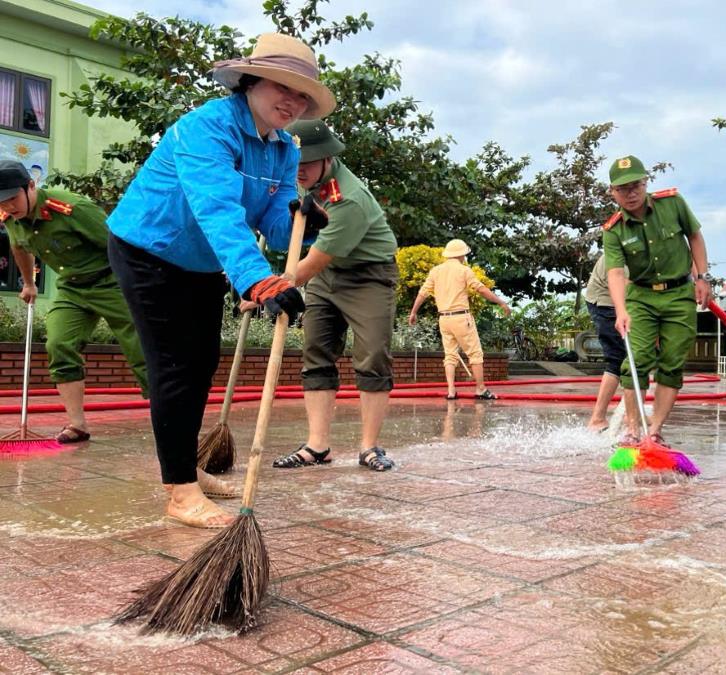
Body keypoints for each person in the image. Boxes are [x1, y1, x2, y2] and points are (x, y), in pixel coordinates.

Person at [106, 33, 335, 528]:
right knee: (174, 366)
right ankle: (180, 493)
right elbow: (218, 210)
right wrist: (257, 281)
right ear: (250, 81)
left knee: (201, 362)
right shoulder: (206, 128)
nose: (292, 102)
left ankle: (186, 468)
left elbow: (273, 221)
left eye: (301, 96)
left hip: (205, 261)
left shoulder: (283, 150)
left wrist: (303, 219)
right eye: (282, 87)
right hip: (150, 249)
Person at [271, 119, 400, 472]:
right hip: (328, 274)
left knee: (372, 355)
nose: (299, 171)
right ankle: (317, 447)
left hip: (368, 276)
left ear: (327, 158)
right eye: (294, 163)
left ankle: (370, 447)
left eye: (307, 163)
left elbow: (309, 266)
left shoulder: (349, 201)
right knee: (315, 351)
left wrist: (263, 289)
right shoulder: (299, 181)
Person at [0, 160, 148, 443]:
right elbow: (18, 247)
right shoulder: (10, 219)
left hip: (112, 281)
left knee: (142, 347)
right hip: (71, 288)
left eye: (12, 199)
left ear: (31, 186)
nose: (8, 207)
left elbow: (118, 244)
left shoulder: (71, 208)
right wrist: (29, 284)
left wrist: (142, 286)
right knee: (58, 344)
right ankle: (77, 425)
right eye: (2, 203)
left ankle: (167, 420)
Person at [602, 155, 713, 446]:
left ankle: (655, 431)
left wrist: (702, 277)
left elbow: (695, 236)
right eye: (622, 188)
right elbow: (614, 272)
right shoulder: (614, 229)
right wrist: (621, 310)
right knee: (635, 361)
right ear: (613, 192)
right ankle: (632, 430)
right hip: (641, 296)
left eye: (636, 184)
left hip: (679, 294)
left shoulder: (672, 203)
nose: (631, 193)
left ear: (645, 183)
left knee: (672, 363)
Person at [407, 239, 512, 401]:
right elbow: (481, 289)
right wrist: (501, 302)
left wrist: (413, 312)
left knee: (450, 355)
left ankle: (451, 390)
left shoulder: (436, 271)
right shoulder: (464, 270)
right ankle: (480, 389)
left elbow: (423, 292)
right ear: (461, 254)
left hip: (444, 319)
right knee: (475, 354)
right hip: (461, 318)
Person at [583, 253, 628, 432]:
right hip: (604, 303)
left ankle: (631, 414)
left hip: (622, 302)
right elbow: (623, 284)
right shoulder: (619, 246)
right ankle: (597, 418)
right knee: (617, 358)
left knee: (640, 358)